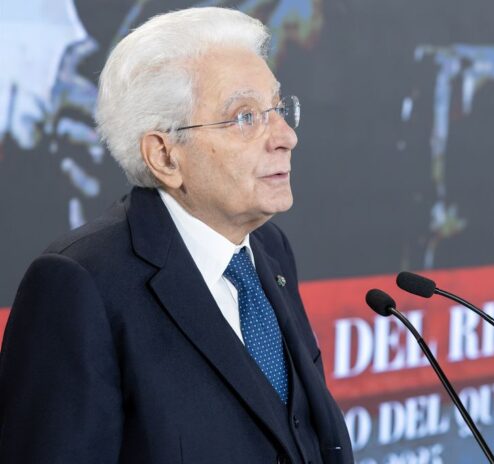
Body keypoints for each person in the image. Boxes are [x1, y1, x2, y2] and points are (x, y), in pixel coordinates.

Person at [0, 7, 353, 463]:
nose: (285, 136)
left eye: (279, 109)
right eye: (245, 117)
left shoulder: (269, 248)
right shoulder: (78, 286)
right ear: (165, 156)